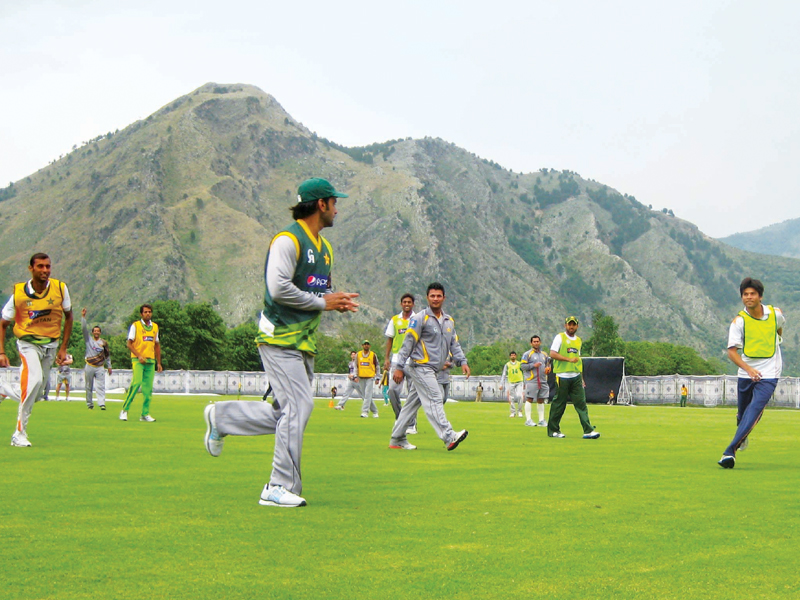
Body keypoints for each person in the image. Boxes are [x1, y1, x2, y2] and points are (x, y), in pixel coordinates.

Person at [203, 177, 358, 508]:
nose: (337, 208)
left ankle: (222, 419)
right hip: (279, 339)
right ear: (321, 204)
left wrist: (334, 301)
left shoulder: (325, 249)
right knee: (300, 407)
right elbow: (279, 289)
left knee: (285, 412)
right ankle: (276, 486)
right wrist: (323, 303)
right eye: (334, 202)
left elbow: (313, 293)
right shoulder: (288, 241)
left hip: (304, 342)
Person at [0, 253, 73, 447]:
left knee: (39, 394)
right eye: (40, 266)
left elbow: (69, 317)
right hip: (28, 343)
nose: (45, 271)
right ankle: (19, 434)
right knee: (35, 382)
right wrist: (1, 352)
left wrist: (63, 347)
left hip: (51, 344)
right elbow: (3, 323)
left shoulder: (60, 288)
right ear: (30, 268)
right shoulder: (19, 293)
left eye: (48, 266)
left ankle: (4, 389)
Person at [388, 282, 470, 451]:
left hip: (434, 369)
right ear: (427, 298)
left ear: (444, 298)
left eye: (439, 296)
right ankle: (449, 436)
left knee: (411, 405)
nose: (435, 299)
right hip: (420, 366)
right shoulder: (419, 318)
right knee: (435, 397)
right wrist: (398, 366)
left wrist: (462, 361)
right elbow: (407, 343)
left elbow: (454, 343)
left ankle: (397, 439)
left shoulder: (448, 321)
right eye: (432, 296)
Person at [718, 277, 785, 469]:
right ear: (742, 298)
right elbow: (732, 352)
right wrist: (749, 369)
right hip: (746, 372)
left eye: (752, 294)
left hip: (769, 373)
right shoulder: (739, 322)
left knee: (755, 409)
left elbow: (779, 327)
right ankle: (742, 433)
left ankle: (729, 452)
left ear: (760, 296)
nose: (749, 297)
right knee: (743, 413)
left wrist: (777, 338)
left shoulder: (775, 314)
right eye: (745, 294)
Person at [548, 316, 600, 439]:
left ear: (577, 326)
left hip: (575, 376)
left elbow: (578, 360)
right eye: (569, 324)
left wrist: (581, 377)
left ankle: (588, 430)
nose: (571, 327)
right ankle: (553, 430)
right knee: (559, 404)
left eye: (574, 325)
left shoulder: (578, 340)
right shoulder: (560, 337)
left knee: (581, 403)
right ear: (565, 325)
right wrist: (568, 359)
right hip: (562, 376)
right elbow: (552, 353)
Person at [120, 304, 163, 422]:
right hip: (138, 360)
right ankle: (124, 410)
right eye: (145, 312)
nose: (148, 314)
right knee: (136, 383)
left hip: (150, 360)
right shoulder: (136, 326)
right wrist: (138, 355)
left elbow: (157, 344)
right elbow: (129, 343)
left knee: (148, 389)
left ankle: (145, 414)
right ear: (141, 314)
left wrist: (159, 362)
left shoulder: (155, 327)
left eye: (149, 312)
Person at [81, 309, 112, 410]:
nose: (96, 332)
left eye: (98, 331)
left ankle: (101, 403)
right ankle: (89, 404)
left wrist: (109, 366)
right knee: (88, 386)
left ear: (100, 333)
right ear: (92, 332)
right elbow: (83, 329)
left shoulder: (103, 343)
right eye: (95, 331)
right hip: (89, 365)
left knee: (100, 386)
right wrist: (83, 317)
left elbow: (107, 355)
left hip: (100, 367)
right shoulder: (88, 340)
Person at [520, 335, 550, 427]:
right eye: (534, 341)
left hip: (542, 380)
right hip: (532, 380)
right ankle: (528, 420)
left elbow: (548, 364)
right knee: (530, 399)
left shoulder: (544, 354)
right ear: (531, 343)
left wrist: (548, 368)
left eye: (537, 341)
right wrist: (533, 365)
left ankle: (541, 420)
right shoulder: (527, 354)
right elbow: (522, 366)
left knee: (541, 399)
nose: (536, 343)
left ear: (540, 342)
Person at [356, 340, 381, 418]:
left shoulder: (373, 355)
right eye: (364, 344)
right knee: (365, 396)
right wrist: (355, 376)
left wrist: (377, 377)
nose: (366, 346)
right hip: (361, 377)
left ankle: (365, 412)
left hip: (370, 377)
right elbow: (356, 365)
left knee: (368, 394)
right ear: (362, 346)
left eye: (367, 344)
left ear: (369, 346)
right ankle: (375, 411)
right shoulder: (358, 354)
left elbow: (377, 366)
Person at [500, 351, 524, 417]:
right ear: (510, 357)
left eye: (514, 355)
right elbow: (504, 374)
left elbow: (524, 372)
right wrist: (501, 384)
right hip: (511, 382)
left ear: (516, 356)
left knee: (520, 396)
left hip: (519, 381)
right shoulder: (507, 365)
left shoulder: (519, 364)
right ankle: (513, 412)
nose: (513, 356)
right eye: (512, 355)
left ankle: (520, 411)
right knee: (512, 398)